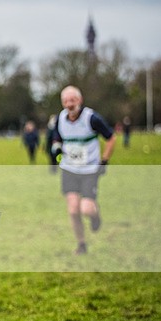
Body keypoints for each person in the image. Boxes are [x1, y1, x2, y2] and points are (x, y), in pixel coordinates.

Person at [51, 85, 116, 255]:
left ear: (79, 100)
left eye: (72, 100)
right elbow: (56, 138)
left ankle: (95, 216)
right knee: (73, 210)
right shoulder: (60, 118)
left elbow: (111, 138)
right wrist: (56, 149)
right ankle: (81, 244)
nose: (69, 104)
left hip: (89, 170)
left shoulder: (92, 118)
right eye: (65, 101)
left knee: (85, 209)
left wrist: (104, 161)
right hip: (69, 169)